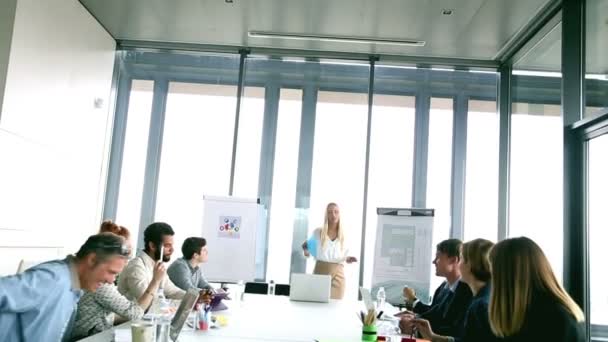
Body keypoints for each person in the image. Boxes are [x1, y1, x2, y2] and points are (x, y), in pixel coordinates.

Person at [0, 233, 129, 342]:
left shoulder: (74, 286)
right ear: (92, 260)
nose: (111, 281)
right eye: (111, 272)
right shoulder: (53, 279)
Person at [70, 221, 166, 340]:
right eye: (127, 251)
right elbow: (135, 313)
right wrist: (155, 281)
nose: (128, 257)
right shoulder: (101, 284)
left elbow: (110, 315)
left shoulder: (97, 276)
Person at [488, 237, 584, 341]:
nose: (491, 274)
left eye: (493, 268)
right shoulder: (550, 311)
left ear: (505, 274)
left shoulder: (550, 318)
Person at [413, 238, 501, 342]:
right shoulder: (483, 297)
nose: (458, 264)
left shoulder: (482, 305)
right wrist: (432, 337)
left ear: (471, 264)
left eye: (462, 259)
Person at [399, 239, 473, 338]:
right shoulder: (443, 287)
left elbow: (454, 331)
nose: (434, 262)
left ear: (453, 260)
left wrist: (415, 329)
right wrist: (415, 318)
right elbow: (435, 315)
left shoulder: (466, 292)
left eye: (438, 257)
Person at [117, 222, 186, 301]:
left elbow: (173, 292)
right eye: (167, 246)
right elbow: (145, 299)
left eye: (172, 245)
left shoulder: (157, 265)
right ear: (152, 246)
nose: (172, 250)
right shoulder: (136, 266)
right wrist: (156, 280)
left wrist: (196, 297)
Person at [301, 202, 357, 299]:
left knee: (335, 307)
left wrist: (348, 259)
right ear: (326, 215)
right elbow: (306, 249)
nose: (333, 215)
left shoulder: (345, 234)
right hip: (320, 271)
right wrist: (306, 250)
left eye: (336, 212)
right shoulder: (318, 232)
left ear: (339, 214)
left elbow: (344, 257)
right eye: (330, 212)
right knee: (317, 305)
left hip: (338, 274)